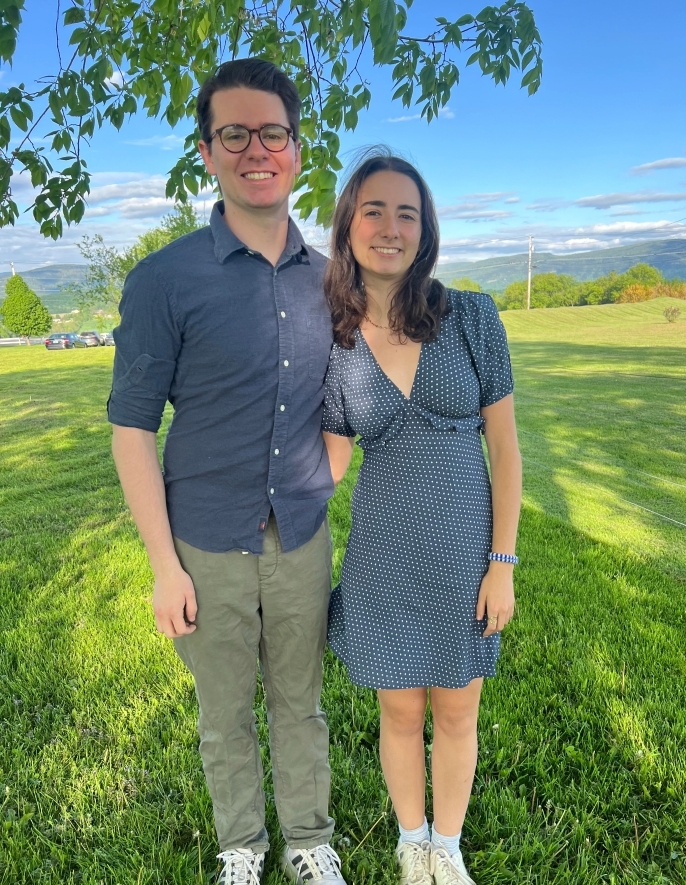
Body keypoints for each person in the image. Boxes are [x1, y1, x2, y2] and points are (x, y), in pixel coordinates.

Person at [107, 58, 347, 885]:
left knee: (300, 705)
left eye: (271, 131)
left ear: (296, 148)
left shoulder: (332, 281)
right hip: (203, 541)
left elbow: (344, 402)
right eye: (233, 133)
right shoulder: (163, 280)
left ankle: (310, 841)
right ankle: (242, 851)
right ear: (207, 151)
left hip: (302, 537)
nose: (256, 149)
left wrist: (328, 478)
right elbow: (133, 428)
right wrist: (161, 563)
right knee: (223, 716)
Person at [321, 152, 522, 885]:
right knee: (401, 713)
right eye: (373, 210)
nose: (389, 226)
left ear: (425, 229)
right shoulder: (335, 342)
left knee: (458, 712)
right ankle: (412, 842)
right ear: (348, 226)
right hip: (384, 556)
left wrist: (502, 563)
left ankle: (449, 845)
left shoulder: (470, 315)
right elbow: (333, 459)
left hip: (467, 556)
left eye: (407, 213)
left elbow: (504, 450)